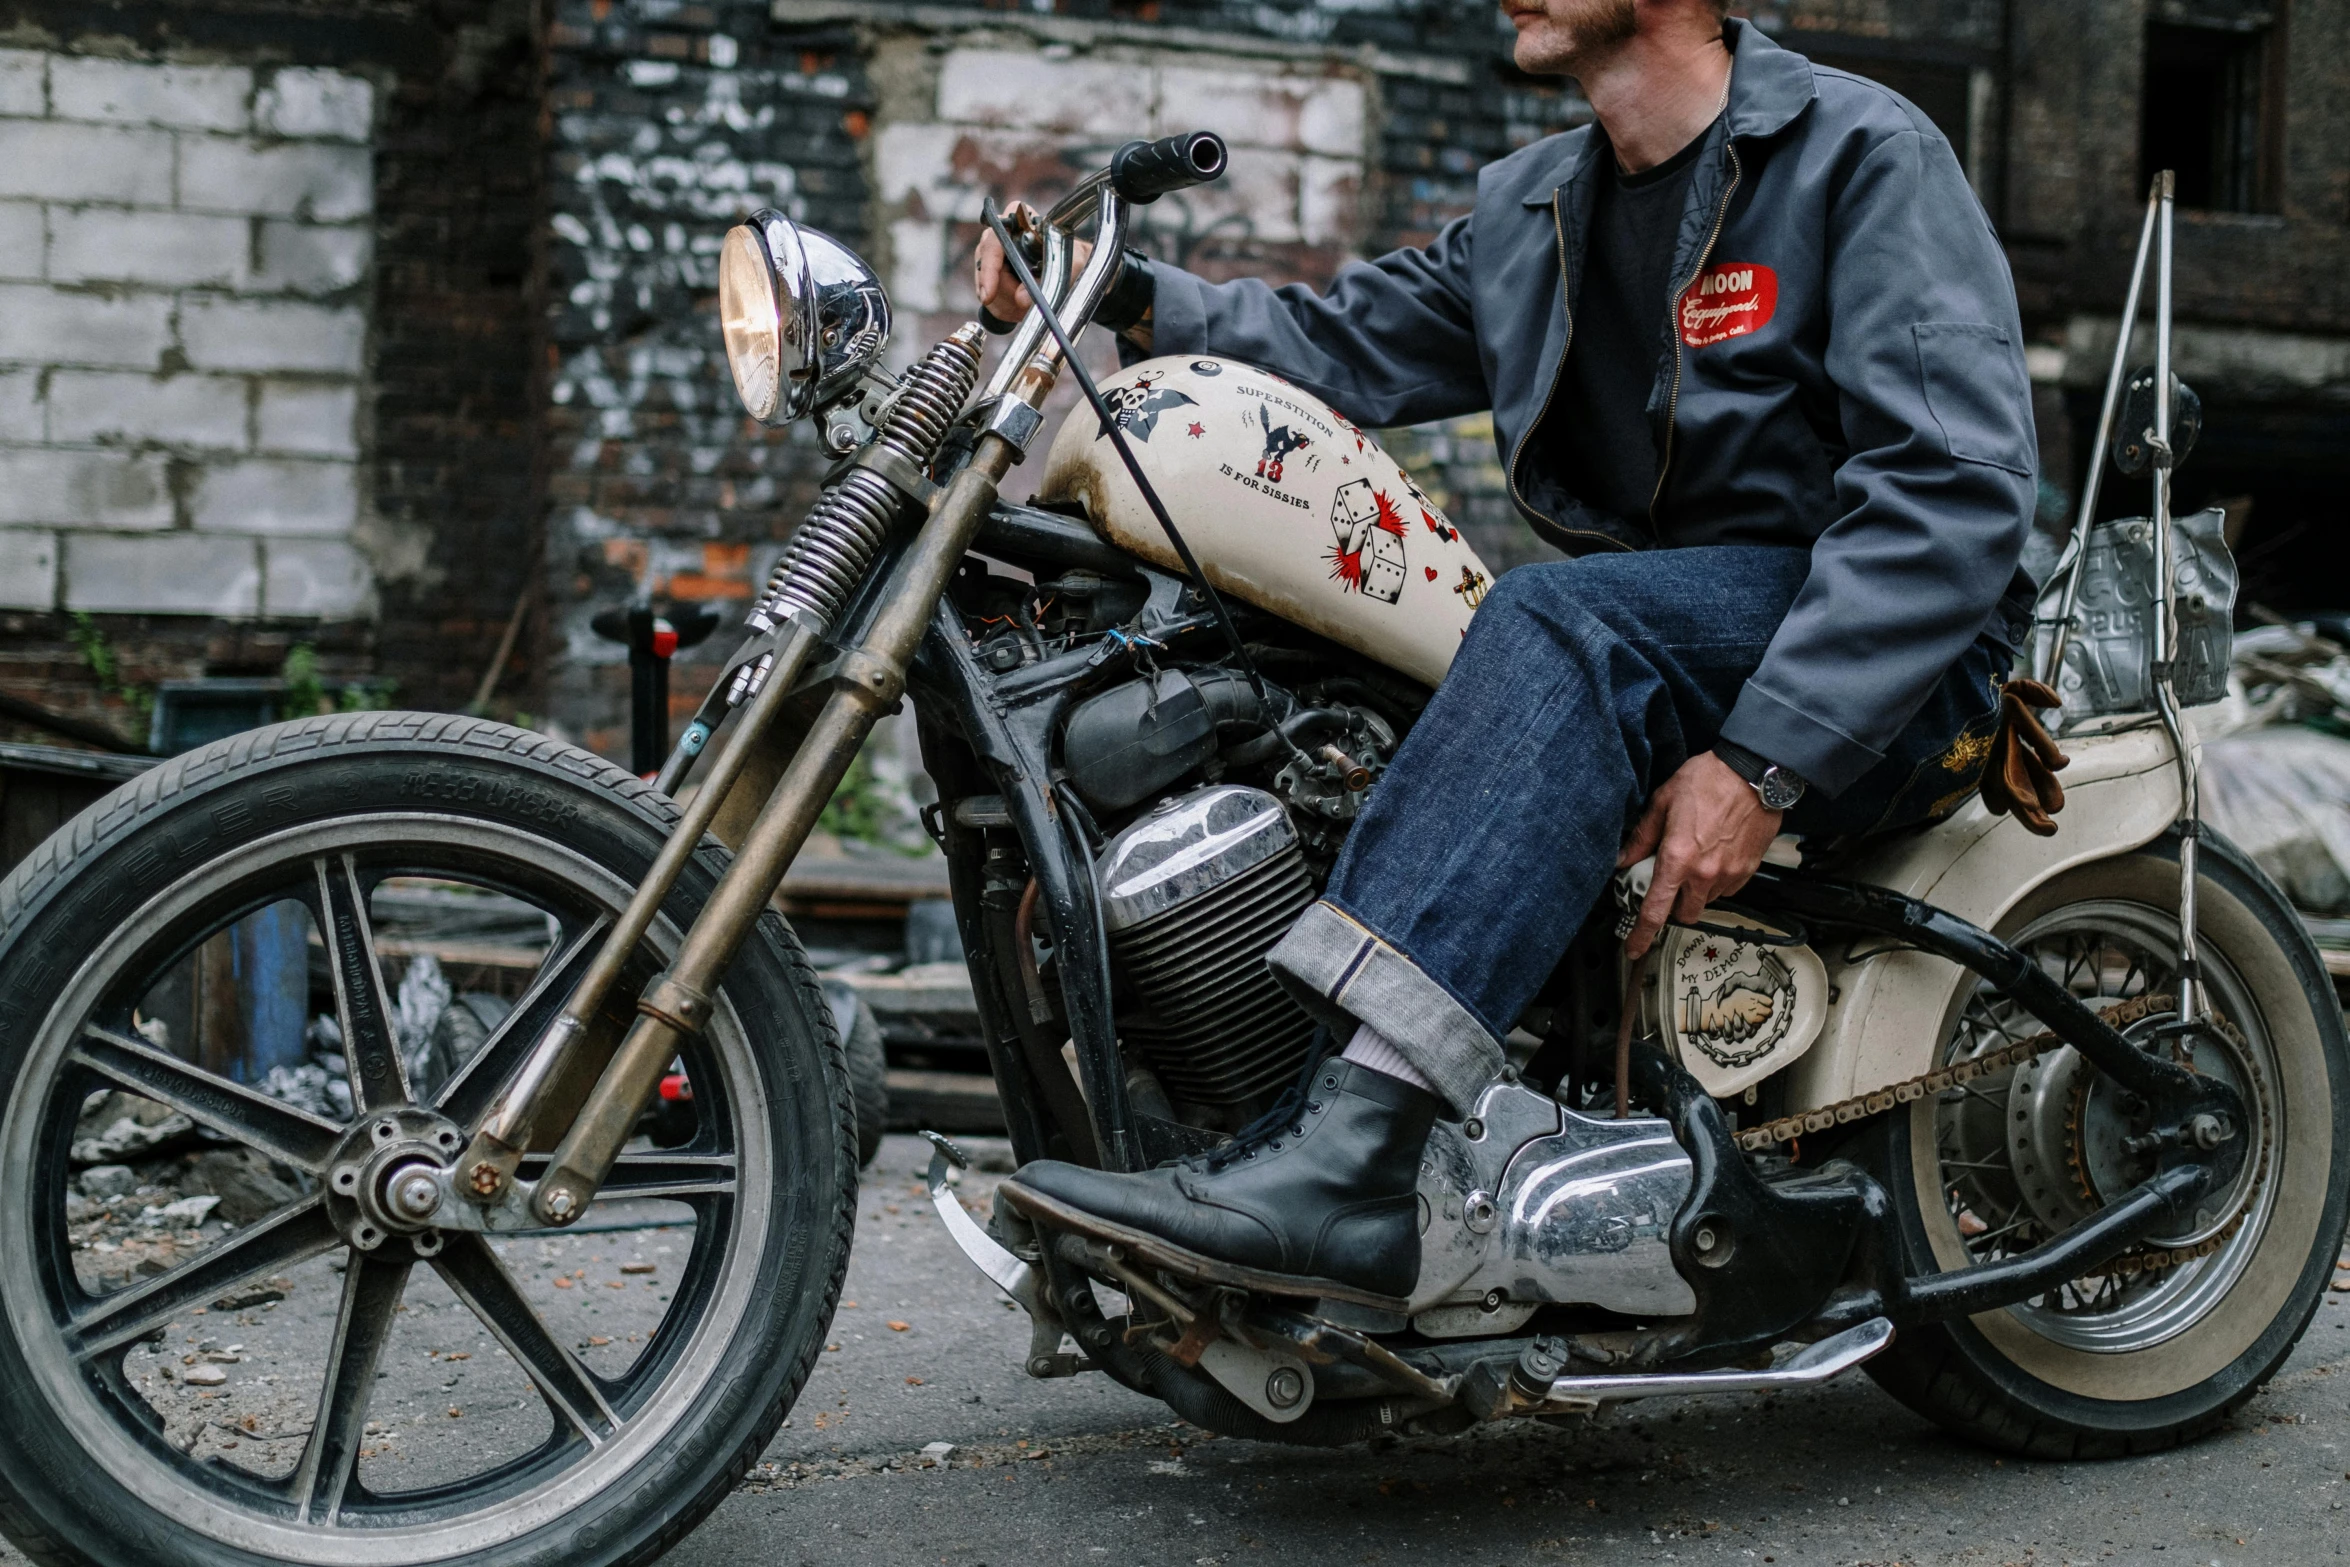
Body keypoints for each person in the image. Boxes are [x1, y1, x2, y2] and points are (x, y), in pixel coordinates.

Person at [976, 0, 2038, 1308]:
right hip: (1681, 629)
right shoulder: (1546, 207)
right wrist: (1118, 289)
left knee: (1548, 616)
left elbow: (1950, 494)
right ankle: (1294, 1125)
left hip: (1893, 655)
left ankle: (1353, 1164)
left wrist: (1764, 760)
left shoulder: (1857, 153)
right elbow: (1340, 342)